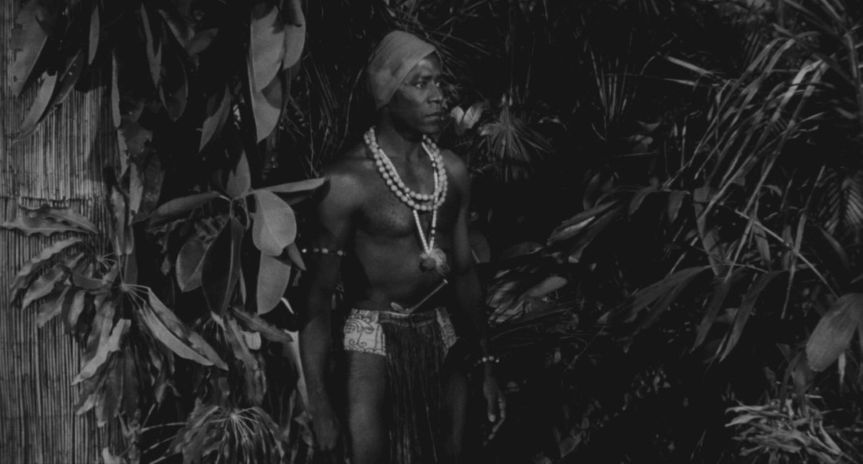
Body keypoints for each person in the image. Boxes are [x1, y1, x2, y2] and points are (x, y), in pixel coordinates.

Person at [298, 30, 506, 463]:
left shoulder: (452, 171)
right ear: (387, 94)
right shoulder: (346, 182)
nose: (438, 96)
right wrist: (318, 402)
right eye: (420, 83)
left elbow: (464, 273)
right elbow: (316, 300)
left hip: (442, 337)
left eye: (439, 82)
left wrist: (487, 365)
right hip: (370, 344)